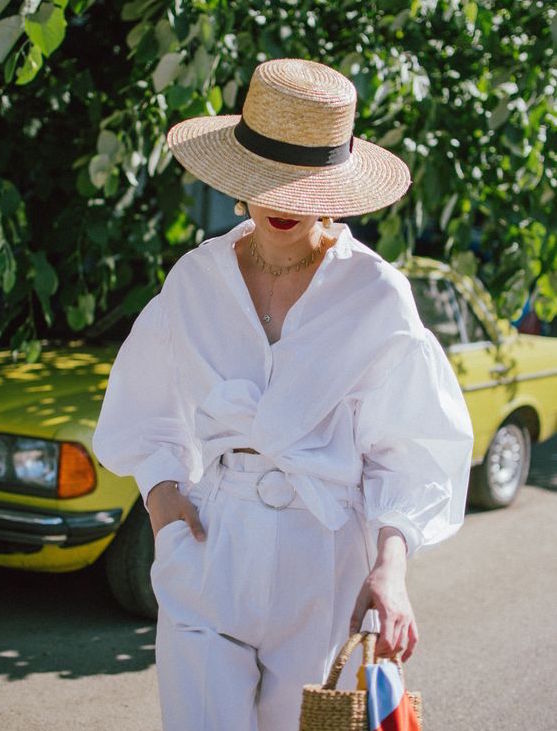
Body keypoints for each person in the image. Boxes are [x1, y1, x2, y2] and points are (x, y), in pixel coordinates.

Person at [92, 58, 474, 731]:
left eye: (304, 183)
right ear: (241, 175)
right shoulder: (195, 280)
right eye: (268, 180)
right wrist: (167, 512)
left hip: (321, 562)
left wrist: (391, 571)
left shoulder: (376, 296)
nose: (284, 202)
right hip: (208, 547)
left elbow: (412, 448)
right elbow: (143, 409)